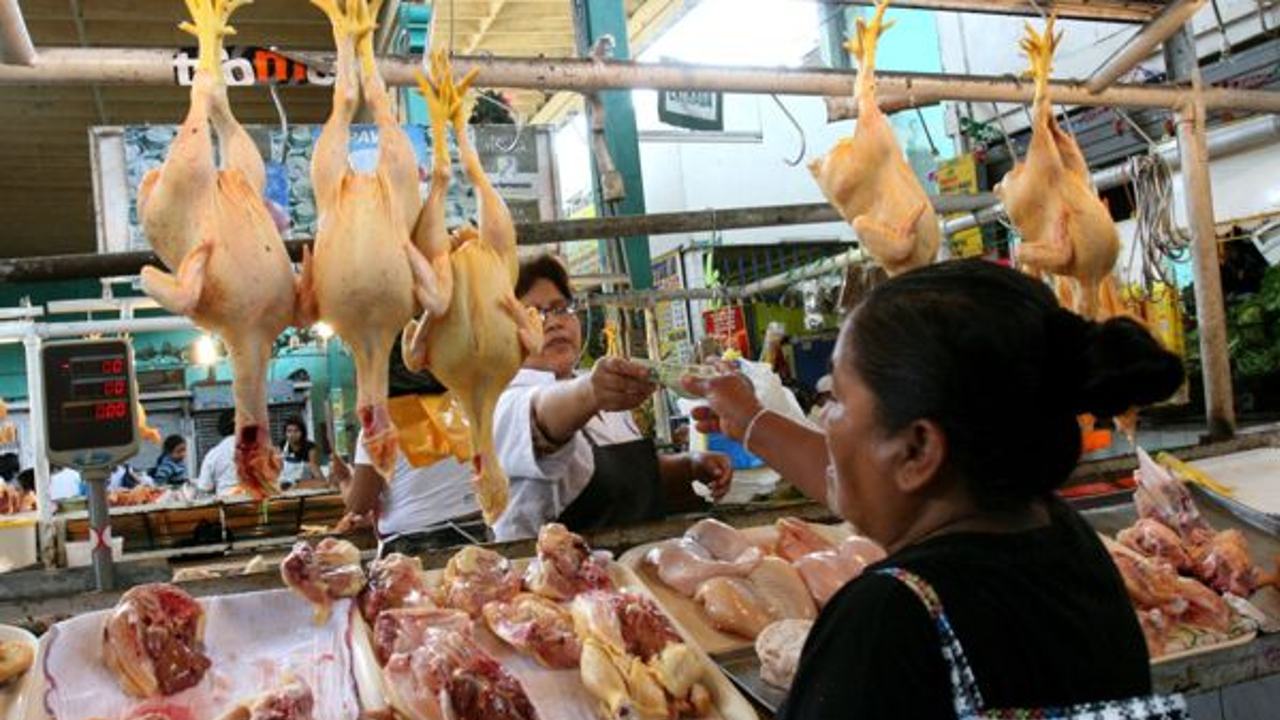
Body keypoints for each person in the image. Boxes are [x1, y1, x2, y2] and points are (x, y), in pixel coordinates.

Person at [684, 260, 1186, 718]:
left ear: (919, 449)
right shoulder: (1068, 544)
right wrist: (750, 420)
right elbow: (864, 478)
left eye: (834, 398)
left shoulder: (890, 621)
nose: (826, 420)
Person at [491, 253, 733, 542]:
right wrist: (592, 392)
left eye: (560, 308)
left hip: (633, 561)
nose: (553, 322)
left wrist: (690, 465)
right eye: (532, 314)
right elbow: (541, 416)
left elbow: (624, 480)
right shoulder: (502, 402)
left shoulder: (599, 388)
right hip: (553, 567)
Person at [342, 338, 486, 556]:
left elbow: (359, 504)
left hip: (413, 546)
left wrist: (343, 479)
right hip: (476, 534)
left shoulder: (379, 426)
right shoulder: (459, 410)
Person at [196, 410, 239, 497]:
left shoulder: (214, 454)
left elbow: (205, 486)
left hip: (226, 501)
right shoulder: (257, 450)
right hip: (256, 501)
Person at [280, 416, 323, 489]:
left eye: (296, 431)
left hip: (306, 484)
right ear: (285, 433)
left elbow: (315, 470)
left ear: (302, 433)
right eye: (289, 431)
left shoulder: (310, 448)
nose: (292, 434)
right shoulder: (282, 446)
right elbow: (278, 468)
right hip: (286, 484)